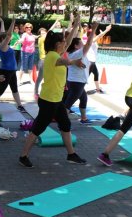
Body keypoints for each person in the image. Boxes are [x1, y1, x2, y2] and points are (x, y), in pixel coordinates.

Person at [18, 13, 86, 168]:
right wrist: (74, 61)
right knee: (38, 129)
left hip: (56, 99)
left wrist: (76, 25)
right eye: (62, 42)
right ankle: (23, 156)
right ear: (57, 45)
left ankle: (71, 154)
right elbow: (64, 61)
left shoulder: (57, 52)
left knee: (66, 125)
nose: (65, 44)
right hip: (48, 100)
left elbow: (68, 43)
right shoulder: (52, 57)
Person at [63, 23, 99, 124]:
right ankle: (62, 122)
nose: (83, 45)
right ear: (75, 46)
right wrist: (94, 29)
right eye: (81, 44)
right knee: (68, 104)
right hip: (76, 83)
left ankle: (84, 118)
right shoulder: (77, 53)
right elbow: (88, 44)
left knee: (83, 98)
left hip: (77, 82)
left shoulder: (74, 53)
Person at [0, 19, 27, 114]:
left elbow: (4, 34)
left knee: (14, 88)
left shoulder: (6, 46)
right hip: (5, 71)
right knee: (1, 89)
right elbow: (8, 35)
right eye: (7, 39)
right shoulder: (2, 46)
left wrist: (2, 23)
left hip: (12, 71)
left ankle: (20, 105)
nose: (10, 38)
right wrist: (13, 22)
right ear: (3, 40)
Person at [86, 24, 112, 94]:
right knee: (86, 76)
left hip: (92, 61)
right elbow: (99, 36)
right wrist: (106, 30)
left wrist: (102, 33)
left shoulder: (93, 40)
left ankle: (97, 89)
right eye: (94, 33)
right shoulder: (90, 41)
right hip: (90, 61)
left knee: (96, 74)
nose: (95, 34)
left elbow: (99, 37)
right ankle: (79, 89)